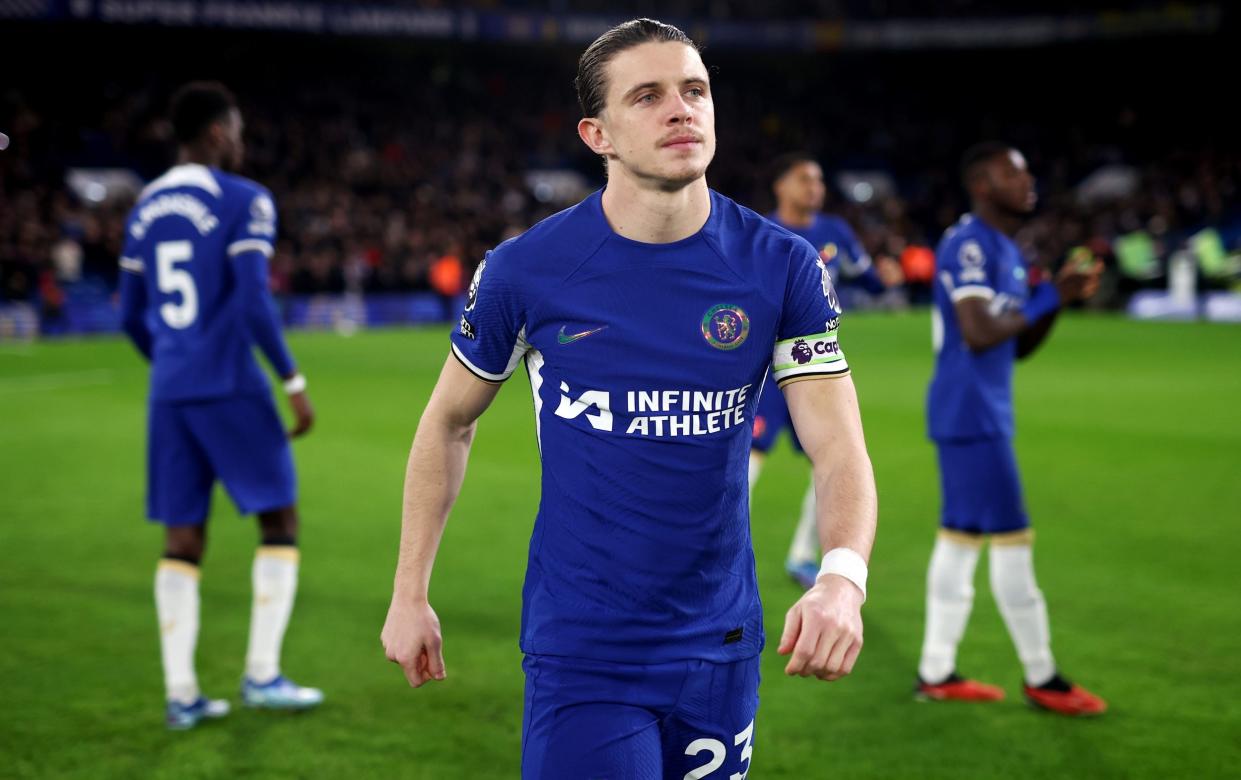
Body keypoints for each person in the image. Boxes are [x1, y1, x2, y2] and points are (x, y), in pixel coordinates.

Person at [381, 19, 877, 778]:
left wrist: (841, 577)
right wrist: (409, 591)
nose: (681, 110)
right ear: (597, 133)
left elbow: (837, 442)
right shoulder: (526, 272)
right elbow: (448, 421)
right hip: (584, 646)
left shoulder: (781, 267)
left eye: (695, 90)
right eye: (647, 96)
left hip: (720, 645)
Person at [118, 81, 323, 730]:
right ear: (213, 134)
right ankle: (262, 673)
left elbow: (129, 315)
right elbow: (255, 300)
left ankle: (181, 692)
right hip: (231, 380)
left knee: (182, 535)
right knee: (279, 519)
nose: (239, 142)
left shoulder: (142, 207)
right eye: (233, 130)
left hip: (170, 387)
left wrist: (174, 361)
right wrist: (291, 380)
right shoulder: (244, 200)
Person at [914, 141, 1106, 716]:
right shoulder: (970, 242)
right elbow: (978, 330)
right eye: (1012, 172)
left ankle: (936, 669)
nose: (1027, 180)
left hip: (975, 411)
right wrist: (1052, 293)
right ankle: (1043, 676)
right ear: (982, 184)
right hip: (972, 412)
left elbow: (1015, 342)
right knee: (1013, 541)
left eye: (1027, 170)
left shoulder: (1007, 250)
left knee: (961, 539)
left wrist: (1059, 300)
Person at [751, 153, 902, 589]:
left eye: (819, 179)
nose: (815, 187)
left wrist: (884, 277)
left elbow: (866, 276)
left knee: (832, 461)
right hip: (763, 372)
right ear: (781, 186)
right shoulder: (759, 232)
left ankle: (803, 553)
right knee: (744, 467)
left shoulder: (835, 232)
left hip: (815, 371)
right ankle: (717, 549)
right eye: (804, 179)